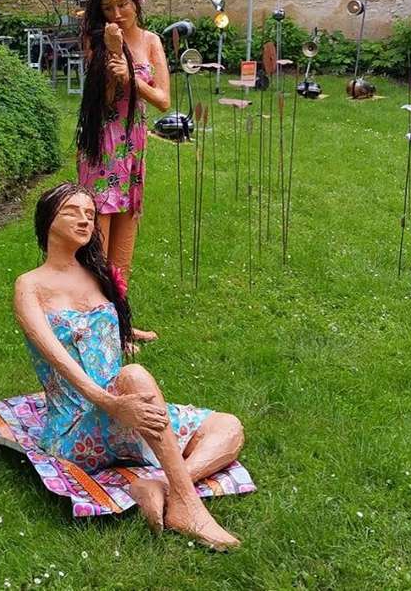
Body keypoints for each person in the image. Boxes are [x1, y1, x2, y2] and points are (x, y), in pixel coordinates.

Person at [13, 182, 245, 549]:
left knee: (228, 427)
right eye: (72, 212)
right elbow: (56, 354)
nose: (85, 220)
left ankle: (163, 486)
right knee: (134, 374)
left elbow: (100, 327)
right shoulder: (30, 285)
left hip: (124, 411)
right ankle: (188, 508)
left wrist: (130, 336)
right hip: (77, 428)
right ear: (47, 220)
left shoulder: (96, 274)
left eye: (90, 214)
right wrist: (112, 403)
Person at [75, 0, 170, 344]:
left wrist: (132, 77)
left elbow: (163, 100)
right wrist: (113, 52)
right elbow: (105, 99)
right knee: (96, 246)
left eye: (123, 4)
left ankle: (121, 326)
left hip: (132, 149)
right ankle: (94, 328)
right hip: (102, 147)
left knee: (124, 249)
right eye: (107, 7)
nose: (116, 13)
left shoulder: (151, 41)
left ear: (136, 2)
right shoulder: (96, 41)